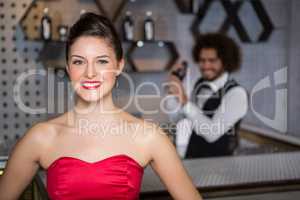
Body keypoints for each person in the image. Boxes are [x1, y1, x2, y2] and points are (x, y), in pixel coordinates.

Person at [0, 13, 202, 200]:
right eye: (79, 62)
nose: (90, 73)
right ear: (69, 68)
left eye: (102, 61)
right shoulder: (41, 137)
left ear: (119, 66)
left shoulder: (148, 136)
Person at [167, 33, 248, 158]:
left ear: (225, 61)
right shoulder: (200, 84)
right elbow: (178, 118)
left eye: (212, 61)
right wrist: (173, 90)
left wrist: (183, 99)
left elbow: (212, 133)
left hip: (220, 166)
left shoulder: (236, 94)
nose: (205, 66)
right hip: (192, 160)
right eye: (202, 61)